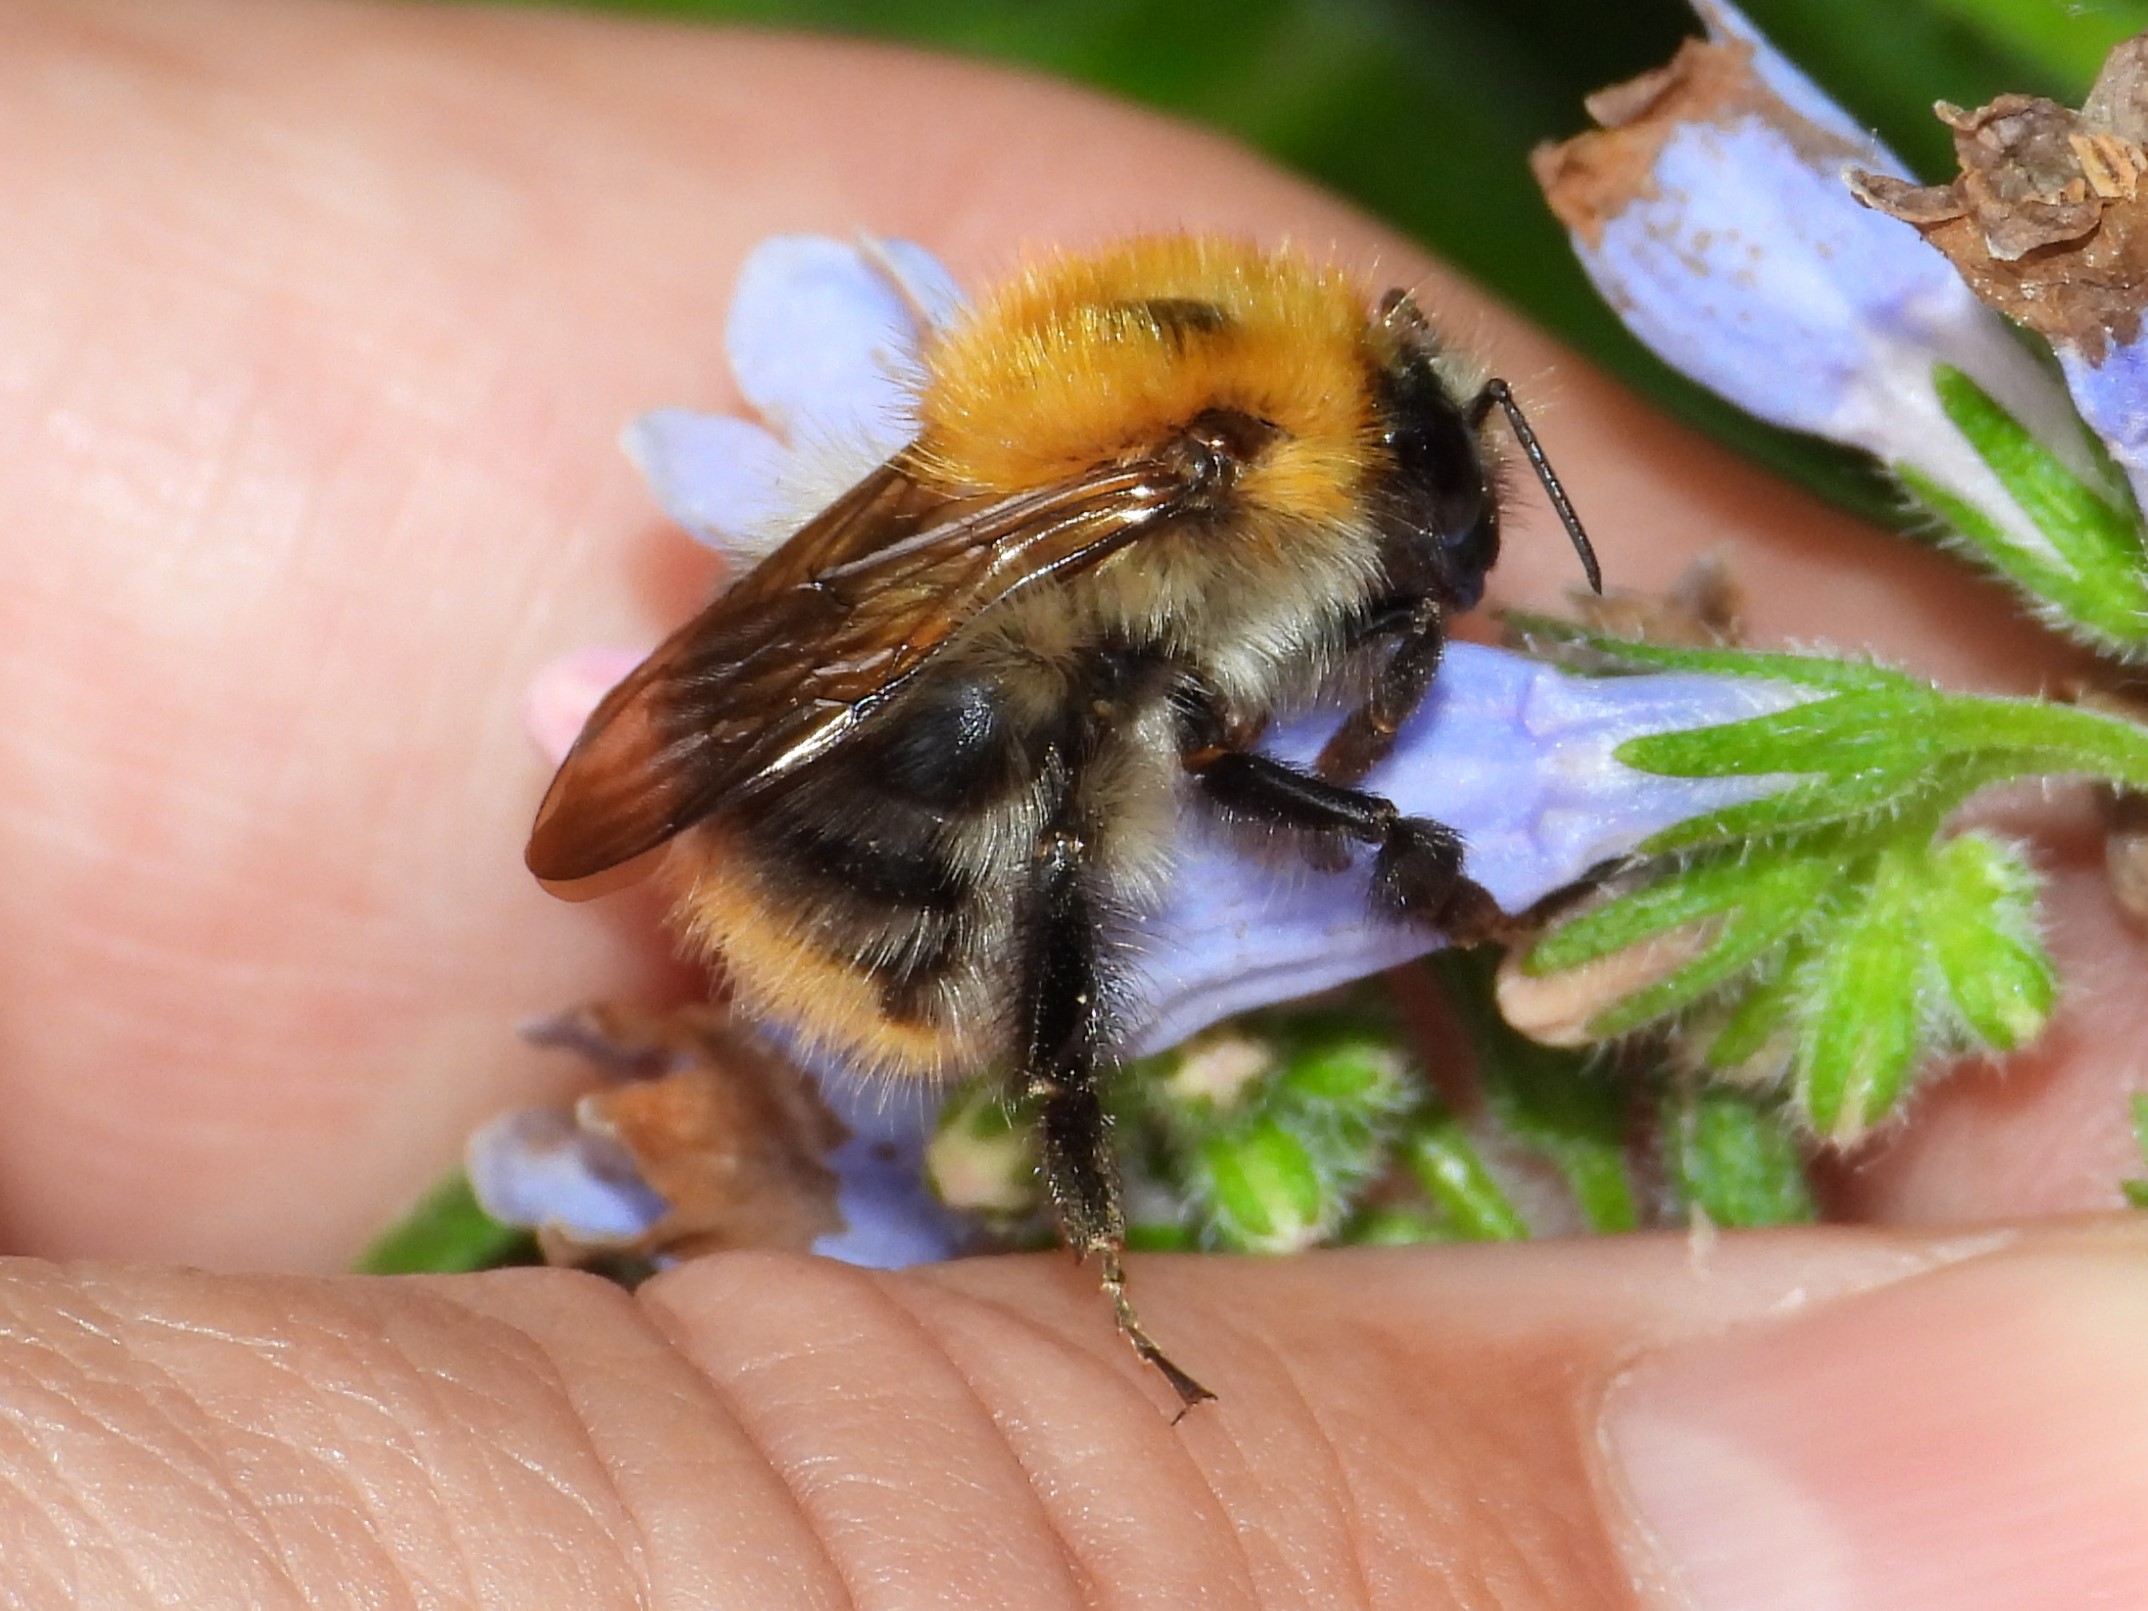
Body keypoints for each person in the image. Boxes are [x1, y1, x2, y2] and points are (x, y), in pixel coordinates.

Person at [4, 2, 2144, 1605]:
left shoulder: (1149, 455)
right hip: (913, 835)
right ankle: (1094, 1216)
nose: (1448, 572)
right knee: (1112, 812)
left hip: (897, 779)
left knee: (1150, 779)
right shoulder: (1174, 486)